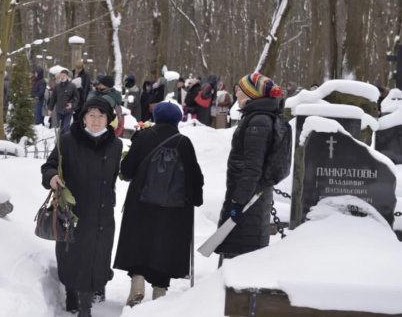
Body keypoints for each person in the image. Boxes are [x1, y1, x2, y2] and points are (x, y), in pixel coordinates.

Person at [114, 101, 204, 306]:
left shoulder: (144, 136)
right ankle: (159, 294)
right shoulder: (184, 142)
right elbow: (194, 176)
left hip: (141, 203)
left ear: (156, 117)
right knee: (166, 246)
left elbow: (127, 171)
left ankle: (137, 282)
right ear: (177, 120)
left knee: (139, 242)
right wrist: (196, 199)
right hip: (174, 209)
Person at [41, 96, 123, 317]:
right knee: (71, 256)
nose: (96, 120)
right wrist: (52, 178)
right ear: (83, 117)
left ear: (109, 119)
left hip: (102, 213)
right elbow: (48, 167)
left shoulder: (115, 145)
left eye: (101, 115)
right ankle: (70, 293)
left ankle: (85, 307)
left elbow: (115, 175)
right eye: (91, 115)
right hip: (73, 211)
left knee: (97, 258)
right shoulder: (68, 141)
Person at [214, 72, 284, 264]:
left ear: (252, 94)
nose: (236, 94)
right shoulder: (257, 117)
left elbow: (253, 166)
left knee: (239, 254)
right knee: (237, 248)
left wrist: (239, 202)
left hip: (249, 199)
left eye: (241, 90)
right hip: (250, 195)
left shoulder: (259, 121)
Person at [46, 69, 79, 134]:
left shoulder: (72, 86)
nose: (62, 77)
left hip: (68, 111)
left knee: (66, 128)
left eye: (64, 75)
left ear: (67, 76)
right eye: (61, 75)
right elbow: (53, 98)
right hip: (59, 110)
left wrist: (72, 104)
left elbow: (77, 97)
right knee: (60, 128)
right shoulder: (57, 86)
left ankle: (66, 141)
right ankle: (60, 141)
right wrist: (50, 109)